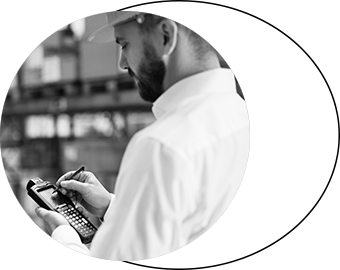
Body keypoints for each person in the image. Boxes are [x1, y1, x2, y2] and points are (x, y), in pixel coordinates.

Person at [35, 11, 250, 261]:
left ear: (166, 36)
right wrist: (113, 208)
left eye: (124, 44)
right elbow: (195, 232)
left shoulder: (162, 146)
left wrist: (64, 235)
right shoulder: (242, 116)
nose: (122, 63)